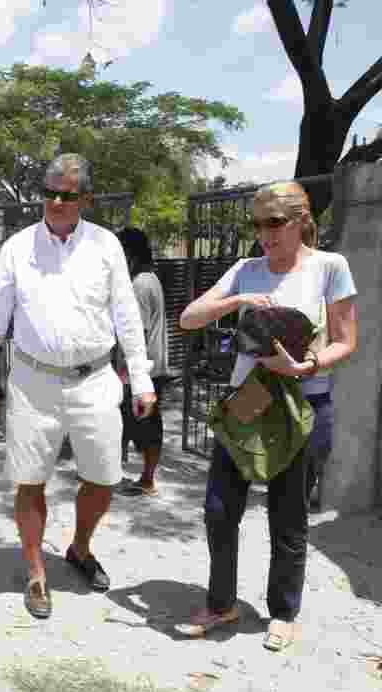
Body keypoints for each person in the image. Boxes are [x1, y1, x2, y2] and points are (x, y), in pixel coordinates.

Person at [0, 153, 156, 620]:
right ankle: (36, 573)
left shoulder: (106, 246)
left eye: (67, 194)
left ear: (84, 199)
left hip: (95, 380)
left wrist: (142, 379)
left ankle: (80, 548)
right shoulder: (17, 247)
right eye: (49, 192)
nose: (55, 201)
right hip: (33, 381)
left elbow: (127, 316)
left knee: (103, 477)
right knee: (30, 481)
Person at [178, 181, 357, 651]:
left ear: (301, 220)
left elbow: (345, 340)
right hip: (249, 399)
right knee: (219, 508)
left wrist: (306, 365)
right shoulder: (245, 269)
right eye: (258, 224)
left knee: (288, 515)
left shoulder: (330, 267)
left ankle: (283, 611)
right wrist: (239, 301)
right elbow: (189, 318)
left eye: (274, 223)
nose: (265, 234)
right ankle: (222, 603)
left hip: (303, 402)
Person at [116, 227, 168, 496]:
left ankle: (146, 480)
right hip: (152, 366)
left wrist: (126, 373)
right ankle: (139, 477)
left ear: (129, 253)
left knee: (141, 424)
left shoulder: (139, 285)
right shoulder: (151, 279)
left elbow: (139, 333)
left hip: (142, 369)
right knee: (141, 423)